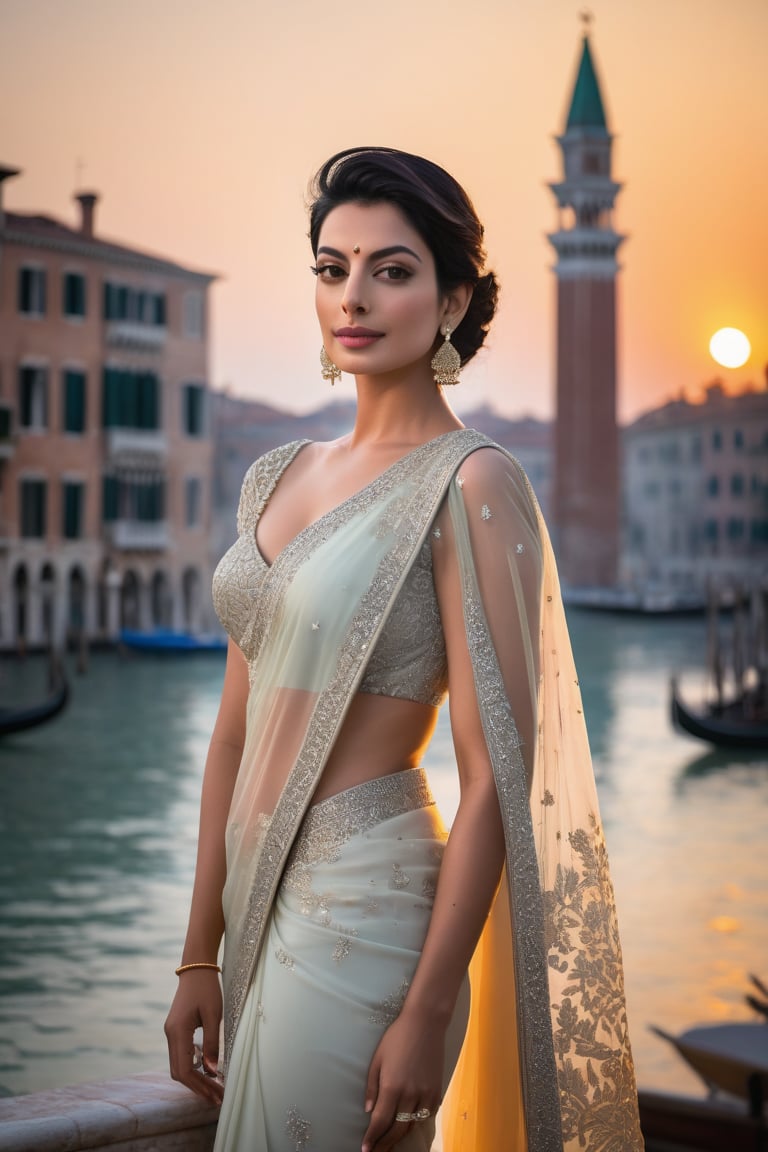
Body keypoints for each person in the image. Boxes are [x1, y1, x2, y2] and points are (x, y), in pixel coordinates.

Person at [165, 147, 643, 1152]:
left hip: (367, 912)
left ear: (454, 298)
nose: (355, 296)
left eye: (392, 269)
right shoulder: (273, 477)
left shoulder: (473, 482)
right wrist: (195, 957)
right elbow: (227, 742)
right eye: (332, 268)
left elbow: (494, 778)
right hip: (254, 902)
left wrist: (427, 1010)